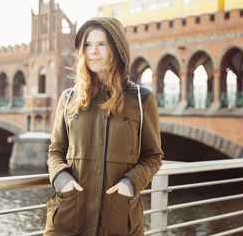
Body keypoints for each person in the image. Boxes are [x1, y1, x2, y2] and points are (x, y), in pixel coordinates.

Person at [44, 17, 164, 236]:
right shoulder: (69, 98)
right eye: (88, 45)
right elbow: (55, 151)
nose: (93, 51)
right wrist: (62, 180)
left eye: (101, 44)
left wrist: (130, 183)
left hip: (119, 222)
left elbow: (153, 156)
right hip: (68, 218)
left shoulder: (141, 100)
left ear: (117, 49)